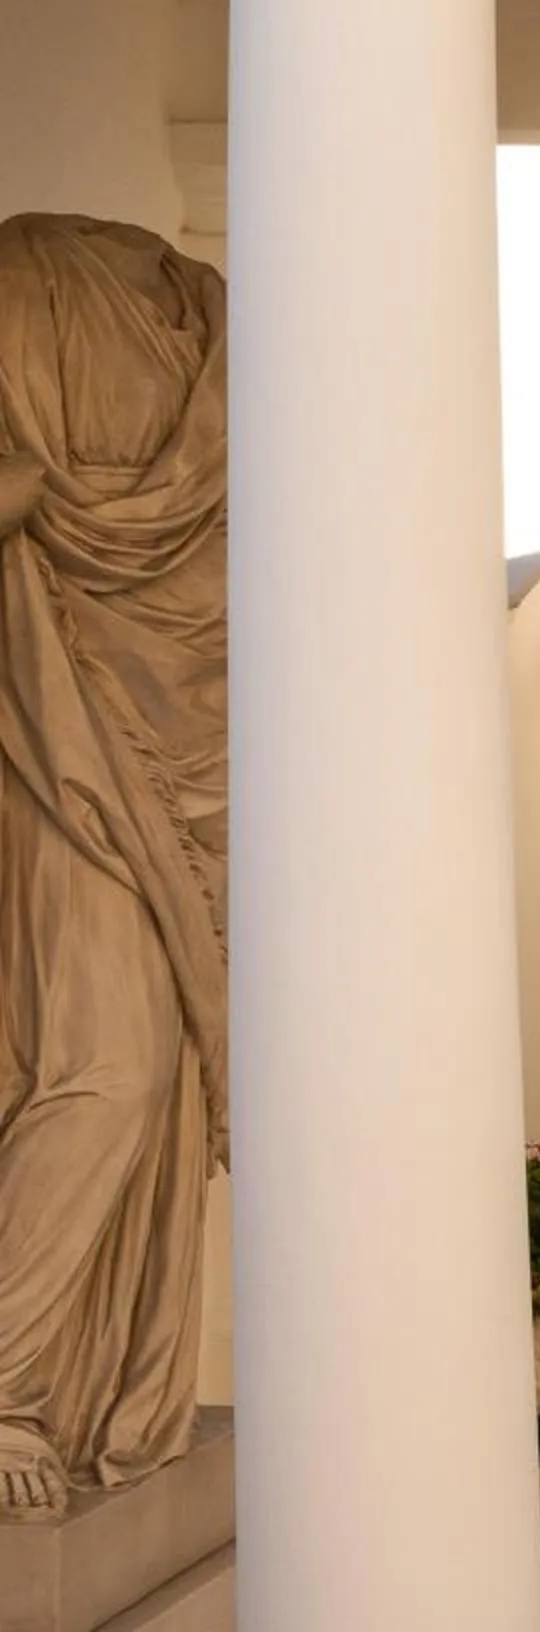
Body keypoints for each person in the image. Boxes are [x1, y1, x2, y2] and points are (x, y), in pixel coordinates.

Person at [0, 213, 227, 1519]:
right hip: (50, 769)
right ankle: (10, 1377)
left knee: (154, 1088)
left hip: (155, 778)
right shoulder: (26, 281)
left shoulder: (207, 318)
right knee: (106, 1070)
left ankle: (84, 1392)